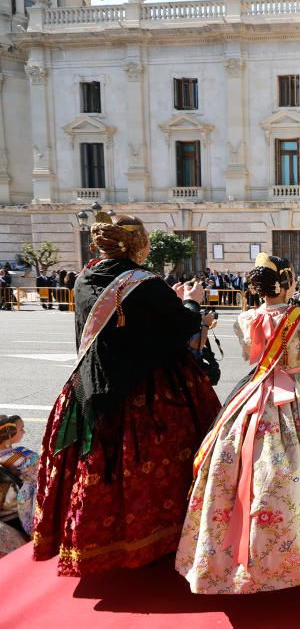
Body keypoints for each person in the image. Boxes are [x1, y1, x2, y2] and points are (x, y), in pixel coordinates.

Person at [33, 214, 221, 576]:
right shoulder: (147, 283)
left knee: (97, 466)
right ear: (138, 245)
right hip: (151, 393)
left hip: (93, 386)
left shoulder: (84, 279)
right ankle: (159, 536)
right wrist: (192, 304)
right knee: (165, 461)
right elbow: (180, 327)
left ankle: (97, 542)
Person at [176, 255, 300, 594]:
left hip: (255, 394)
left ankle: (236, 555)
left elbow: (253, 359)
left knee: (242, 465)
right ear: (287, 283)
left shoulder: (246, 319)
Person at [0, 415, 39, 557]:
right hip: (20, 513)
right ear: (8, 436)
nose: (24, 432)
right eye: (21, 429)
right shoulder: (22, 457)